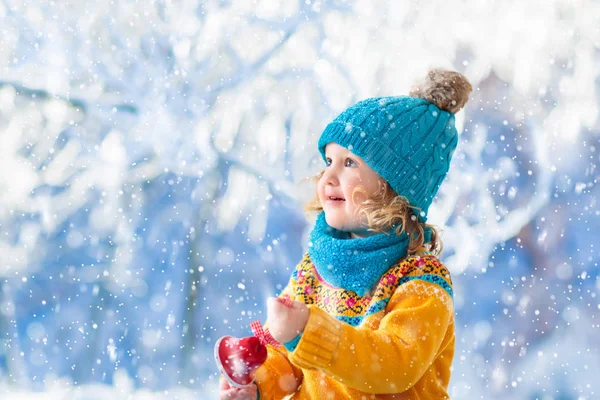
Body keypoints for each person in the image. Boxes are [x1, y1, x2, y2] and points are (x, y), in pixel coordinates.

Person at [218, 68, 472, 399]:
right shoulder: (316, 268)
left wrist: (305, 331)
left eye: (349, 163)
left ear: (395, 187)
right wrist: (259, 385)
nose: (327, 177)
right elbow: (290, 356)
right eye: (329, 160)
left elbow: (393, 364)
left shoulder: (421, 283)